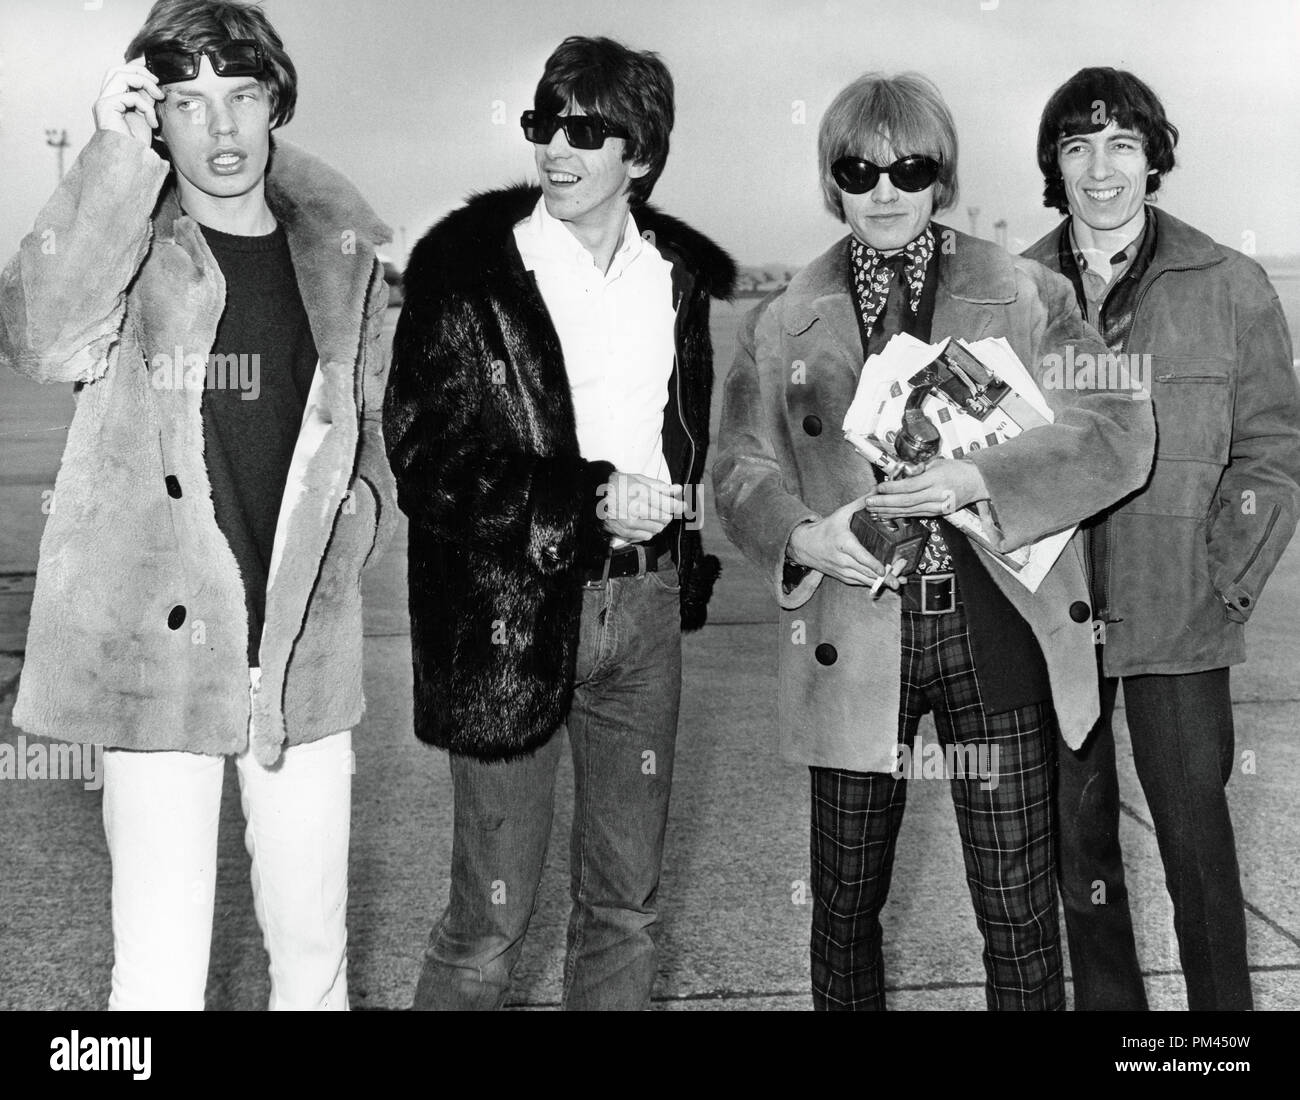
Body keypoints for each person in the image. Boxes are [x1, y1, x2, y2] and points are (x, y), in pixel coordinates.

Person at [712, 71, 1155, 1011]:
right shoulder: (776, 320)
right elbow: (738, 473)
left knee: (1019, 912)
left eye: (909, 168)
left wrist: (982, 478)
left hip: (993, 626)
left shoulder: (1029, 295)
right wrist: (803, 536)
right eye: (858, 168)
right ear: (832, 179)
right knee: (843, 912)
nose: (884, 189)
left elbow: (1119, 427)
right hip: (855, 635)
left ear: (939, 175)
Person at [0, 0, 396, 1009]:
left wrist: (355, 527)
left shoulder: (339, 257)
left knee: (313, 955)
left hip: (301, 654)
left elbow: (371, 431)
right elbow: (41, 338)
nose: (218, 128)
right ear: (154, 118)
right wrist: (107, 158)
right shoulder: (131, 249)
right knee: (162, 975)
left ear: (275, 105)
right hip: (157, 665)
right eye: (185, 101)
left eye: (241, 95)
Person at [384, 35, 735, 1011]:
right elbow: (425, 458)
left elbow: (687, 433)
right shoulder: (465, 275)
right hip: (511, 615)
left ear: (643, 156)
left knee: (626, 906)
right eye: (545, 124)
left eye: (587, 129)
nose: (557, 148)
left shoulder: (678, 280)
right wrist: (579, 499)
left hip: (646, 608)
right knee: (488, 923)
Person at [1025, 67, 1300, 1011]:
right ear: (1054, 167)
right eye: (1076, 148)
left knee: (1196, 843)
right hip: (1054, 624)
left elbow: (1272, 447)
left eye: (1121, 146)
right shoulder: (1011, 294)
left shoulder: (1228, 283)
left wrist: (1224, 575)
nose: (1099, 170)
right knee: (1079, 846)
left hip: (1180, 620)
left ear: (1153, 160)